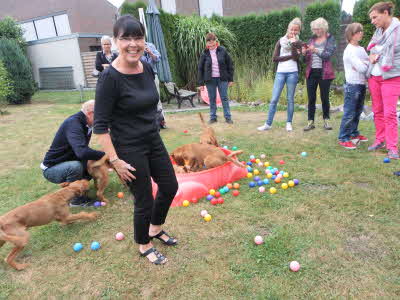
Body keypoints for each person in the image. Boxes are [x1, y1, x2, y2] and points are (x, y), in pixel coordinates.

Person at [94, 15, 178, 265]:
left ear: (144, 40)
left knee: (170, 186)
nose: (133, 44)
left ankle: (155, 228)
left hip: (152, 139)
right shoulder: (109, 78)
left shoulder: (146, 66)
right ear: (115, 41)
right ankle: (144, 244)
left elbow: (149, 104)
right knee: (144, 199)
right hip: (128, 147)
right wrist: (116, 160)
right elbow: (100, 127)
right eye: (125, 38)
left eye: (138, 37)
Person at [41, 100, 105, 206]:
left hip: (66, 161)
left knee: (89, 164)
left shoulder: (85, 123)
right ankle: (76, 201)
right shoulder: (73, 123)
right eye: (101, 115)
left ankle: (80, 188)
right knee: (75, 167)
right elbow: (82, 152)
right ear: (90, 113)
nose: (103, 118)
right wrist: (104, 155)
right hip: (51, 169)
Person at [366, 1, 400, 159]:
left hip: (391, 77)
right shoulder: (378, 31)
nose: (373, 21)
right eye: (371, 18)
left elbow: (388, 53)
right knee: (377, 111)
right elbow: (372, 48)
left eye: (375, 17)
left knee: (390, 113)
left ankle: (392, 147)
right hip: (375, 76)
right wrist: (375, 54)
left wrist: (377, 54)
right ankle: (380, 139)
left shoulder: (398, 30)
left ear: (385, 13)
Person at [257, 18, 302, 132]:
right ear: (288, 29)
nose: (293, 32)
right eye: (292, 29)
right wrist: (291, 56)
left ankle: (288, 123)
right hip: (280, 73)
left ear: (298, 31)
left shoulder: (298, 43)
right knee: (274, 99)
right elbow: (275, 58)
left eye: (296, 30)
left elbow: (297, 58)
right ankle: (268, 124)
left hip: (293, 72)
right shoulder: (280, 41)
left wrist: (293, 44)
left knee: (290, 99)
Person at [338, 23, 369, 150]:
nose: (361, 33)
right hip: (352, 85)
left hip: (362, 84)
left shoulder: (361, 49)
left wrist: (364, 63)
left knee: (357, 111)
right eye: (358, 31)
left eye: (361, 31)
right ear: (351, 34)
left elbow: (368, 65)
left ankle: (353, 134)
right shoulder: (349, 50)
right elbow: (363, 68)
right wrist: (365, 63)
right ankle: (343, 137)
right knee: (349, 113)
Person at [302, 17, 336, 131]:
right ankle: (310, 122)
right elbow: (305, 59)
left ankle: (326, 120)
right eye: (314, 29)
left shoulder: (330, 38)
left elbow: (327, 55)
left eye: (318, 29)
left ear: (323, 28)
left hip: (324, 73)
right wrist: (304, 53)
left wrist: (315, 50)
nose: (316, 31)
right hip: (311, 72)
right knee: (311, 98)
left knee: (324, 98)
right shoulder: (311, 39)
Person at [198, 32, 234, 124]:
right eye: (209, 43)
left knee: (224, 98)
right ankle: (213, 117)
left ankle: (228, 117)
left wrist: (230, 79)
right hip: (210, 80)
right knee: (212, 98)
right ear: (206, 43)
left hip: (222, 79)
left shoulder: (223, 50)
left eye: (212, 42)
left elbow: (230, 64)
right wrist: (201, 83)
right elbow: (200, 69)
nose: (211, 45)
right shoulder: (204, 53)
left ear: (215, 41)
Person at [140, 40, 167, 129]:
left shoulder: (150, 45)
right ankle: (148, 124)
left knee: (157, 99)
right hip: (141, 77)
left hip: (153, 75)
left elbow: (158, 59)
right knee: (144, 100)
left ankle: (162, 122)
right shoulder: (136, 47)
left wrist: (150, 53)